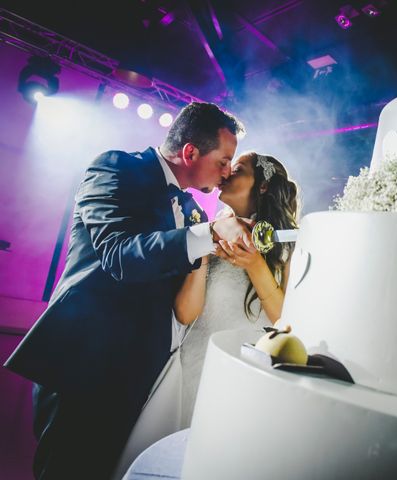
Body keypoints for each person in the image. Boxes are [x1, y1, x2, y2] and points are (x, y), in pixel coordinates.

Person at [4, 102, 253, 480]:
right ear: (190, 152)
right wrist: (208, 234)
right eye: (222, 160)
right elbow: (120, 255)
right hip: (87, 366)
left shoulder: (191, 209)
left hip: (140, 377)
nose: (225, 173)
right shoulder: (116, 168)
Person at [176, 151, 300, 428]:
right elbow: (185, 313)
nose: (227, 172)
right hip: (191, 366)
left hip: (241, 372)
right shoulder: (208, 233)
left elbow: (285, 319)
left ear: (263, 185)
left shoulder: (290, 245)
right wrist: (205, 246)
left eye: (239, 169)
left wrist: (255, 264)